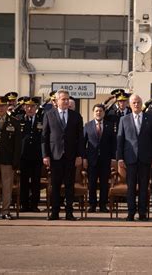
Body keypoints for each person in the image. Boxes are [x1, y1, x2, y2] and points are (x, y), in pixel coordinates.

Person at [42, 89, 85, 221]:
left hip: (71, 157)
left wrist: (79, 156)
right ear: (56, 101)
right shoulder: (49, 115)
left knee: (69, 186)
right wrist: (46, 155)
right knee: (55, 186)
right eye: (63, 99)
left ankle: (69, 213)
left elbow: (80, 138)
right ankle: (55, 212)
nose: (66, 101)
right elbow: (44, 137)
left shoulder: (76, 116)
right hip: (55, 156)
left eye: (67, 99)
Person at [116, 94, 152, 221]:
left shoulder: (150, 118)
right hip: (130, 158)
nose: (136, 104)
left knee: (144, 187)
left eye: (138, 102)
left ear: (141, 104)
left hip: (146, 159)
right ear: (130, 104)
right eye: (134, 102)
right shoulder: (124, 119)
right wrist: (120, 158)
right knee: (131, 187)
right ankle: (131, 212)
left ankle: (142, 213)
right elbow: (120, 140)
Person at [83, 104, 116, 213]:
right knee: (91, 183)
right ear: (93, 112)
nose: (98, 113)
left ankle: (103, 205)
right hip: (91, 160)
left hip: (105, 160)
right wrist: (84, 158)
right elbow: (83, 144)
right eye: (96, 111)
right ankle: (92, 205)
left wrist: (113, 158)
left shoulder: (110, 126)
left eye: (100, 111)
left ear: (104, 113)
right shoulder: (87, 126)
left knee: (104, 183)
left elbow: (113, 144)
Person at [18, 97, 43, 212]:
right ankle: (24, 204)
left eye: (32, 106)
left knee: (35, 182)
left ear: (36, 108)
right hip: (23, 157)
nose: (30, 108)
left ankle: (34, 204)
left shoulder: (41, 119)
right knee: (24, 182)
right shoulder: (19, 120)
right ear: (24, 107)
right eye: (27, 106)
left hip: (37, 157)